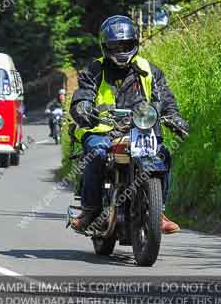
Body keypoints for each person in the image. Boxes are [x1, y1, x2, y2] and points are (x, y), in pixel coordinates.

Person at [69, 15, 190, 234]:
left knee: (163, 154)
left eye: (126, 45)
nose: (121, 50)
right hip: (102, 130)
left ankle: (158, 212)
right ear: (106, 47)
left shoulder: (149, 69)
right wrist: (83, 108)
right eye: (115, 46)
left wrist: (175, 118)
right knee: (96, 153)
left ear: (135, 44)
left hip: (141, 131)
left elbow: (165, 98)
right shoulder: (93, 71)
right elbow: (82, 95)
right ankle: (90, 211)